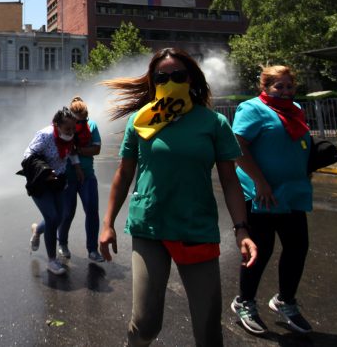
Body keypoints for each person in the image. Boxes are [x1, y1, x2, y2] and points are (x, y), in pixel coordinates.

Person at [99, 48, 257, 347]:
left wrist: (242, 229)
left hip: (196, 228)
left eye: (178, 75)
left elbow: (229, 179)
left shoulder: (213, 123)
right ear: (153, 82)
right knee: (145, 325)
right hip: (150, 227)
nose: (170, 81)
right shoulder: (140, 121)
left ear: (191, 79)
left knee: (208, 331)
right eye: (162, 77)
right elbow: (124, 173)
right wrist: (107, 224)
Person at [229, 66, 314, 335]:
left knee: (297, 247)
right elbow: (237, 146)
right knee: (260, 251)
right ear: (264, 87)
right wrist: (260, 181)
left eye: (289, 86)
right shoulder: (252, 109)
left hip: (292, 193)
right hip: (261, 194)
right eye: (279, 86)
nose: (285, 91)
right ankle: (244, 301)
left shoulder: (295, 109)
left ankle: (285, 300)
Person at [20, 107, 82, 276]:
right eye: (67, 129)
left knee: (60, 217)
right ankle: (52, 261)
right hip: (40, 182)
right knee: (52, 217)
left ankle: (37, 230)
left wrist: (77, 167)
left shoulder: (70, 136)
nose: (71, 132)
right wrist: (45, 172)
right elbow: (28, 155)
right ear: (57, 125)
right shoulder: (45, 135)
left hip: (58, 181)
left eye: (73, 128)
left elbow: (72, 150)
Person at [58, 96, 104, 263]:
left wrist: (78, 150)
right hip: (67, 177)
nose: (81, 123)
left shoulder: (92, 126)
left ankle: (92, 249)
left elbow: (97, 149)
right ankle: (62, 243)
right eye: (78, 121)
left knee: (92, 211)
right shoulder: (63, 126)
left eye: (84, 120)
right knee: (67, 213)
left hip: (87, 176)